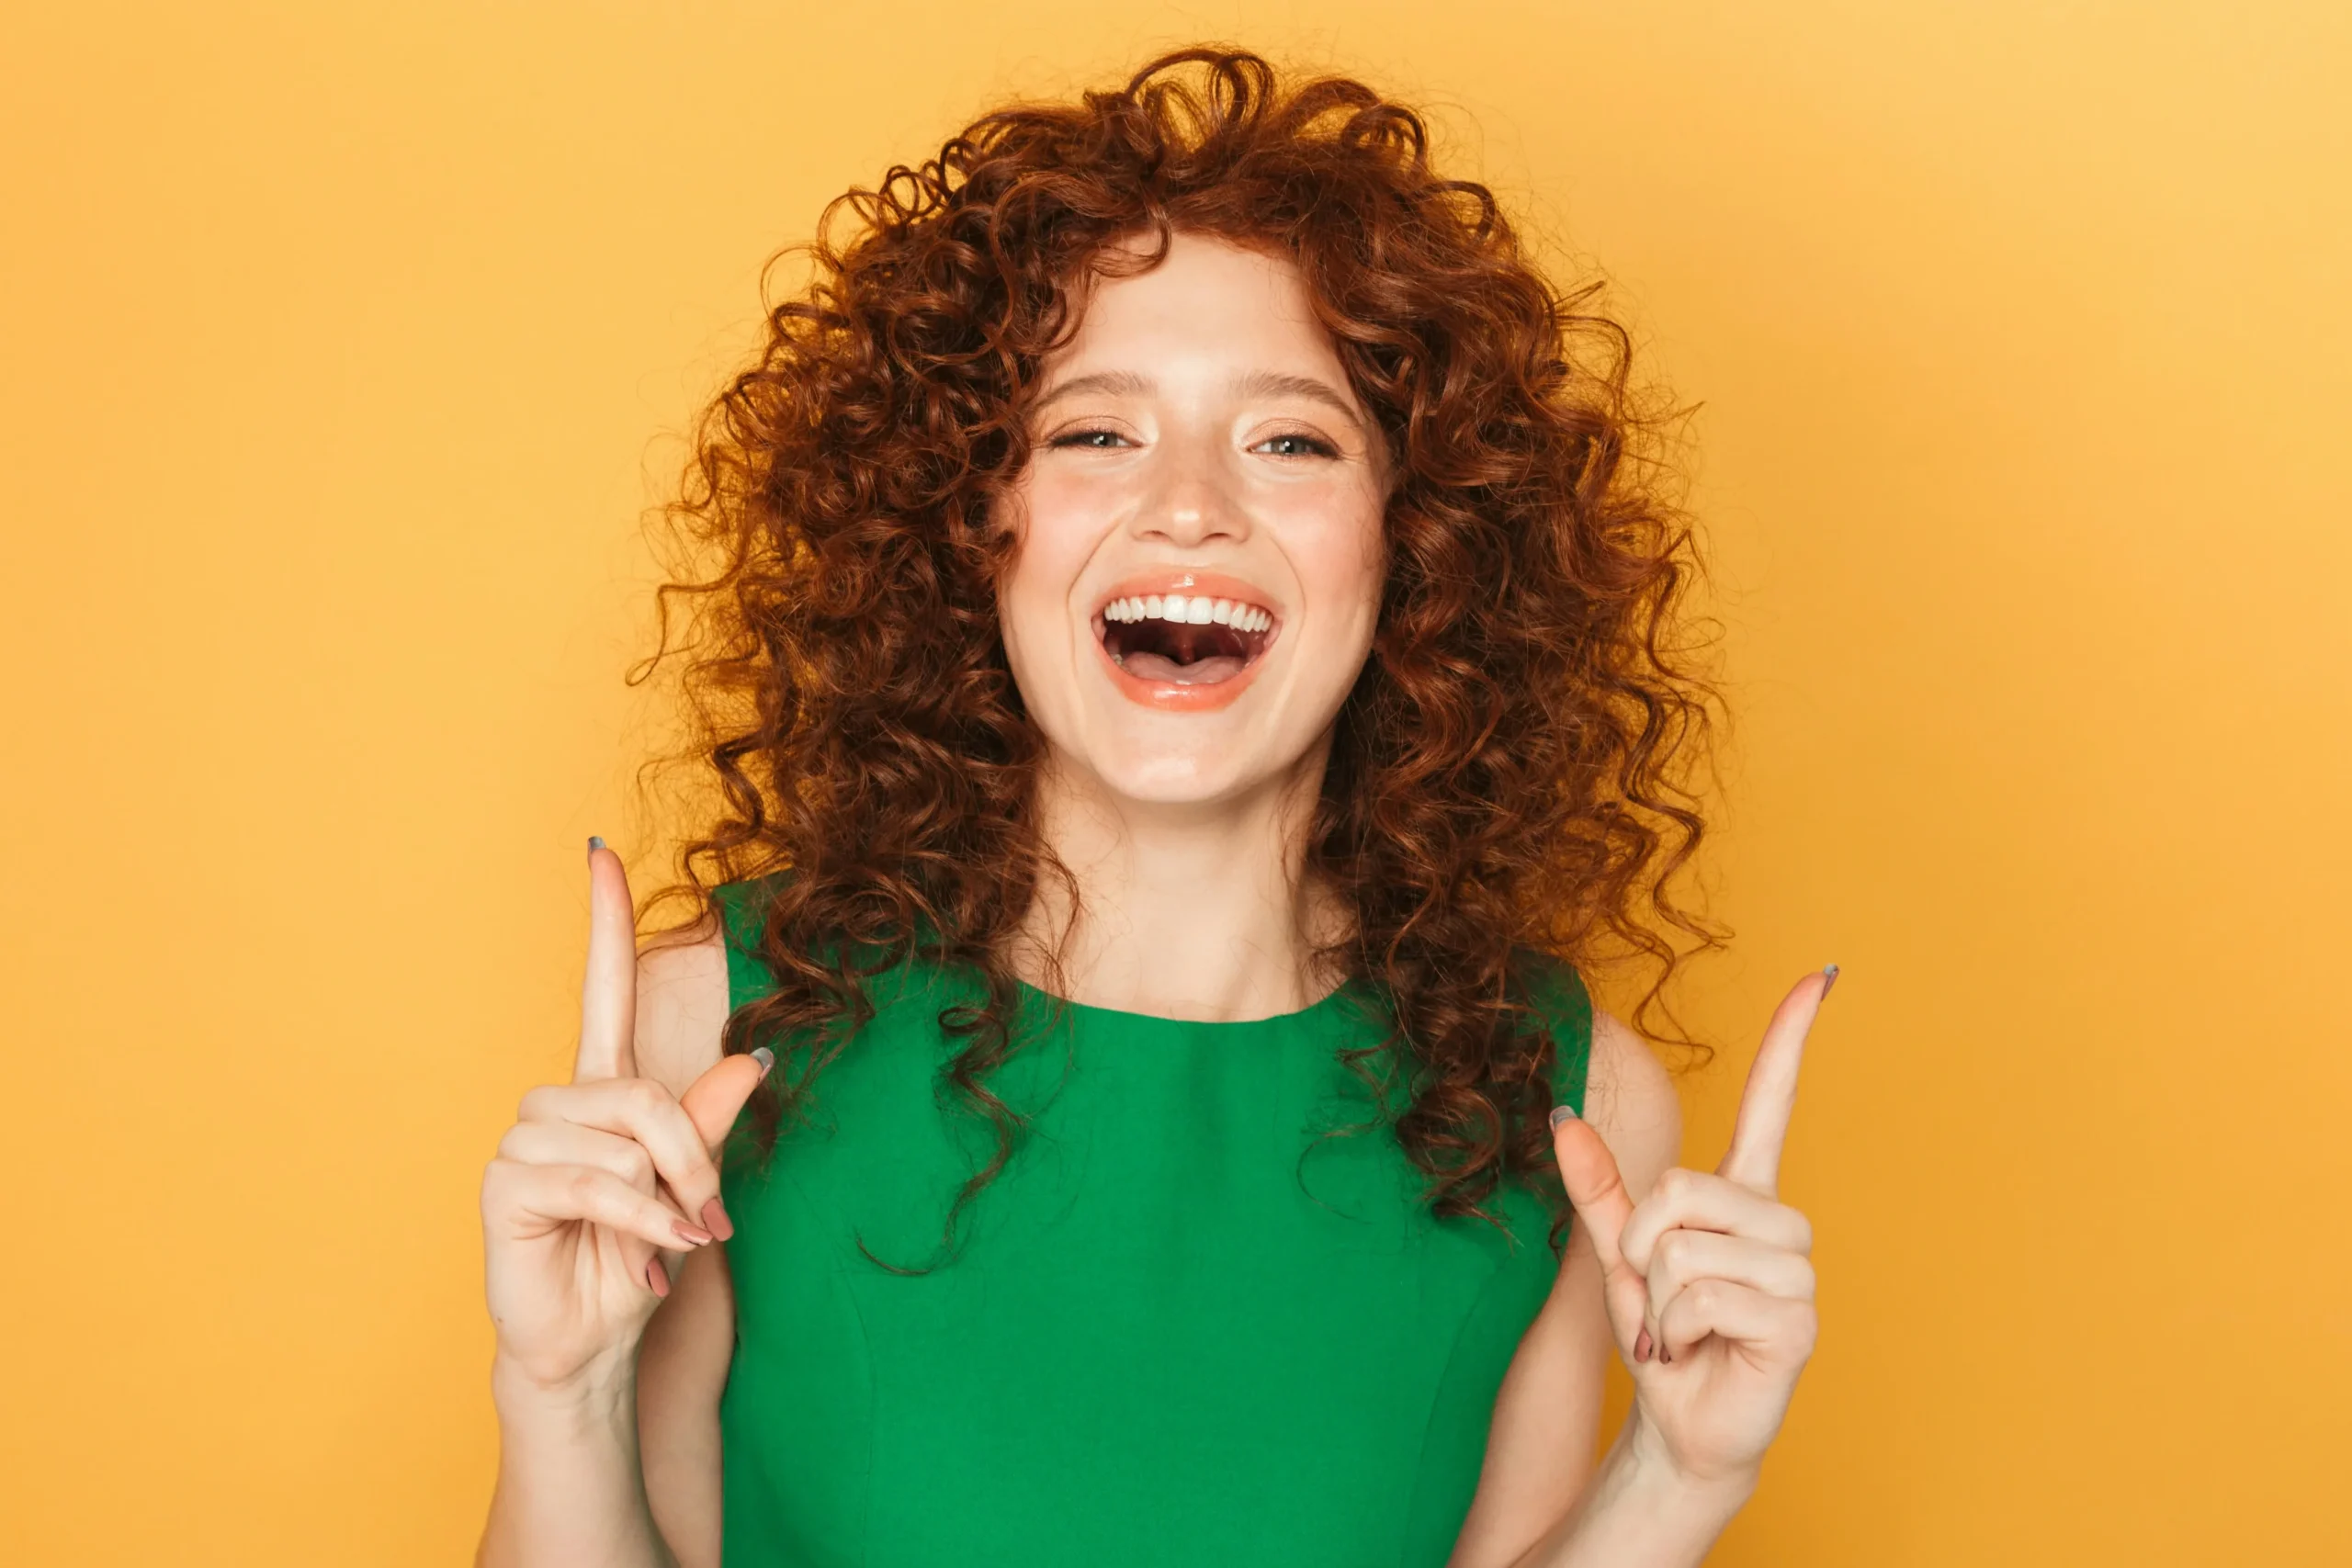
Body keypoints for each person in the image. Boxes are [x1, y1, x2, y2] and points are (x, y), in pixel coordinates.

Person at [476, 45, 1829, 1568]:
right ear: (979, 523)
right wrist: (560, 1395)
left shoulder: (1573, 1105)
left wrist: (1681, 1477)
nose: (1189, 501)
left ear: (1415, 541)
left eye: (1292, 440)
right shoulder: (717, 1034)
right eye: (1095, 432)